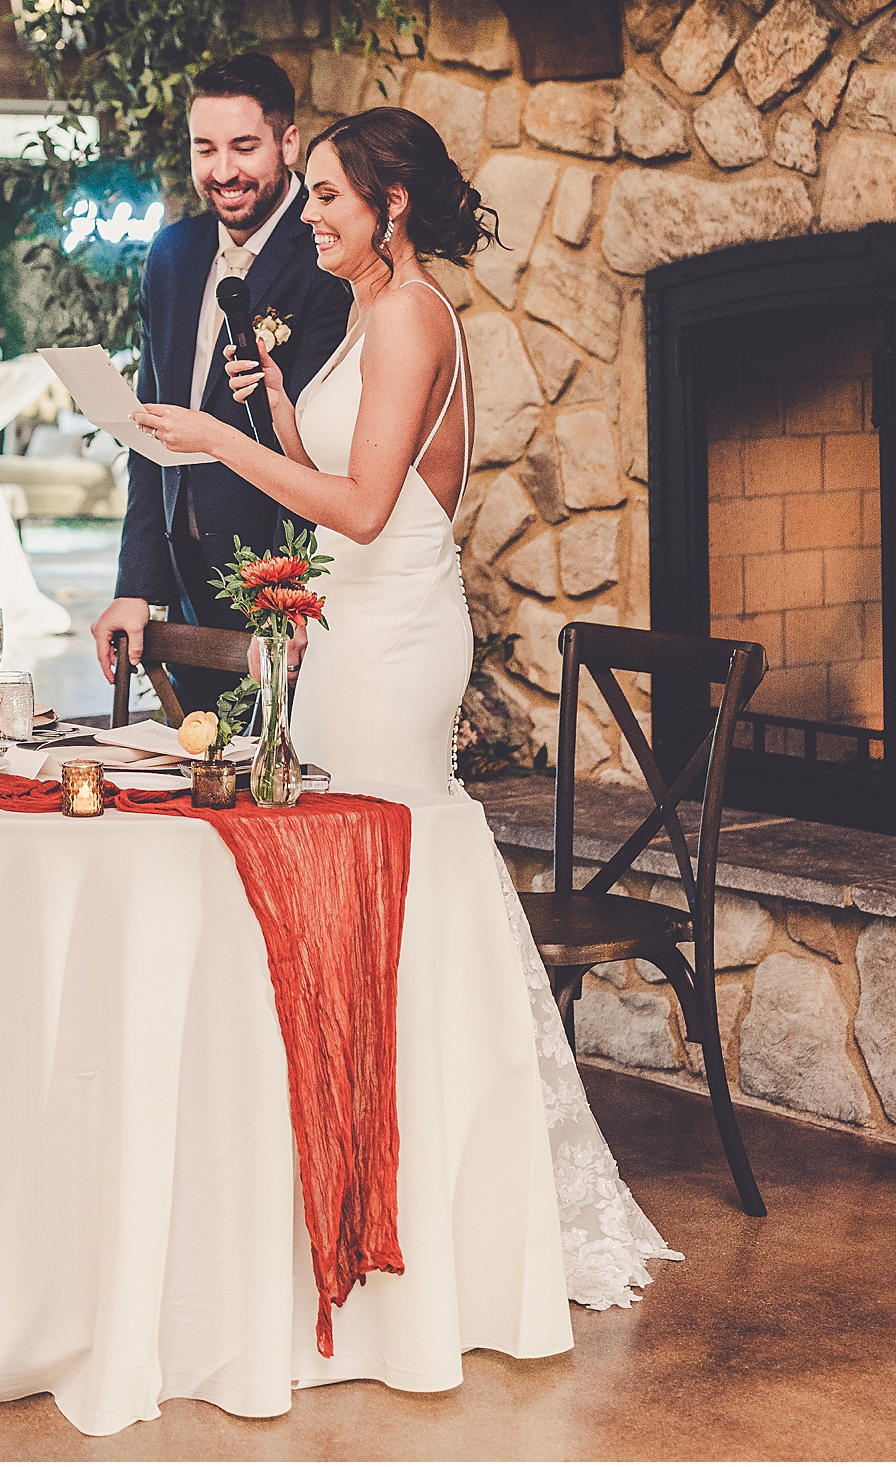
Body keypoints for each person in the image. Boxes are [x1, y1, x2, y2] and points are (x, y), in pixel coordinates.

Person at [134, 105, 678, 1313]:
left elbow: (369, 510)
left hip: (388, 643)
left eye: (324, 196)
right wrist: (276, 401)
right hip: (349, 631)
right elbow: (342, 474)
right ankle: (365, 1164)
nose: (308, 213)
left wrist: (222, 439)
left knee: (384, 890)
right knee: (351, 894)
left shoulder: (412, 313)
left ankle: (436, 1192)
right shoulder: (378, 316)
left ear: (388, 207)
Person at [91, 53, 351, 715]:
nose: (223, 171)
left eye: (243, 146)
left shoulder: (331, 256)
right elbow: (148, 430)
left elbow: (331, 448)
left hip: (289, 586)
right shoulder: (173, 254)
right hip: (185, 580)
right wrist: (136, 584)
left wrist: (292, 594)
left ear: (287, 142)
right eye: (205, 148)